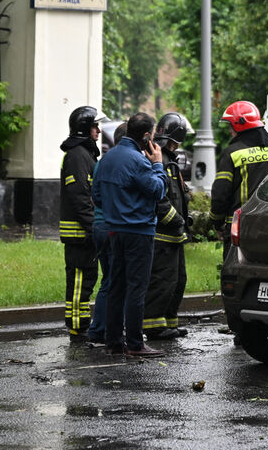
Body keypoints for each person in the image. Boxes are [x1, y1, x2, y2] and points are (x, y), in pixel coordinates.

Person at [92, 112, 168, 358]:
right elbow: (157, 190)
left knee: (116, 286)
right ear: (147, 136)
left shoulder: (107, 158)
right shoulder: (139, 161)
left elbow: (97, 197)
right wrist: (158, 163)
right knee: (136, 288)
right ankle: (135, 344)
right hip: (139, 231)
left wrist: (118, 208)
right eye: (153, 134)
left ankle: (114, 342)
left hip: (114, 230)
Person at [210, 101, 268, 259]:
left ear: (239, 125)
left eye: (231, 126)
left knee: (236, 271)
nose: (230, 131)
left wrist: (216, 222)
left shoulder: (232, 153)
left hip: (241, 224)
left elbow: (220, 193)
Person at [142, 112, 192, 340]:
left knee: (177, 281)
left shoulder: (169, 160)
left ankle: (169, 322)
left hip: (174, 236)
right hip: (162, 236)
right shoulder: (160, 162)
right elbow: (159, 200)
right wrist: (177, 220)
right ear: (176, 137)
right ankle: (153, 326)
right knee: (162, 281)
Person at [59, 106, 103, 342]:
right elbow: (79, 196)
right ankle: (77, 327)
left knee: (86, 279)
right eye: (95, 126)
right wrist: (92, 225)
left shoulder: (85, 154)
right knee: (78, 280)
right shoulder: (77, 155)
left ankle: (82, 324)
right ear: (86, 128)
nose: (98, 130)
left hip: (85, 230)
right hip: (79, 232)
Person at [85, 120, 127, 347]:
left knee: (108, 280)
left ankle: (99, 329)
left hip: (99, 225)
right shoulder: (124, 161)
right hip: (113, 226)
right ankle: (105, 330)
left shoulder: (102, 162)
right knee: (116, 281)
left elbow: (94, 196)